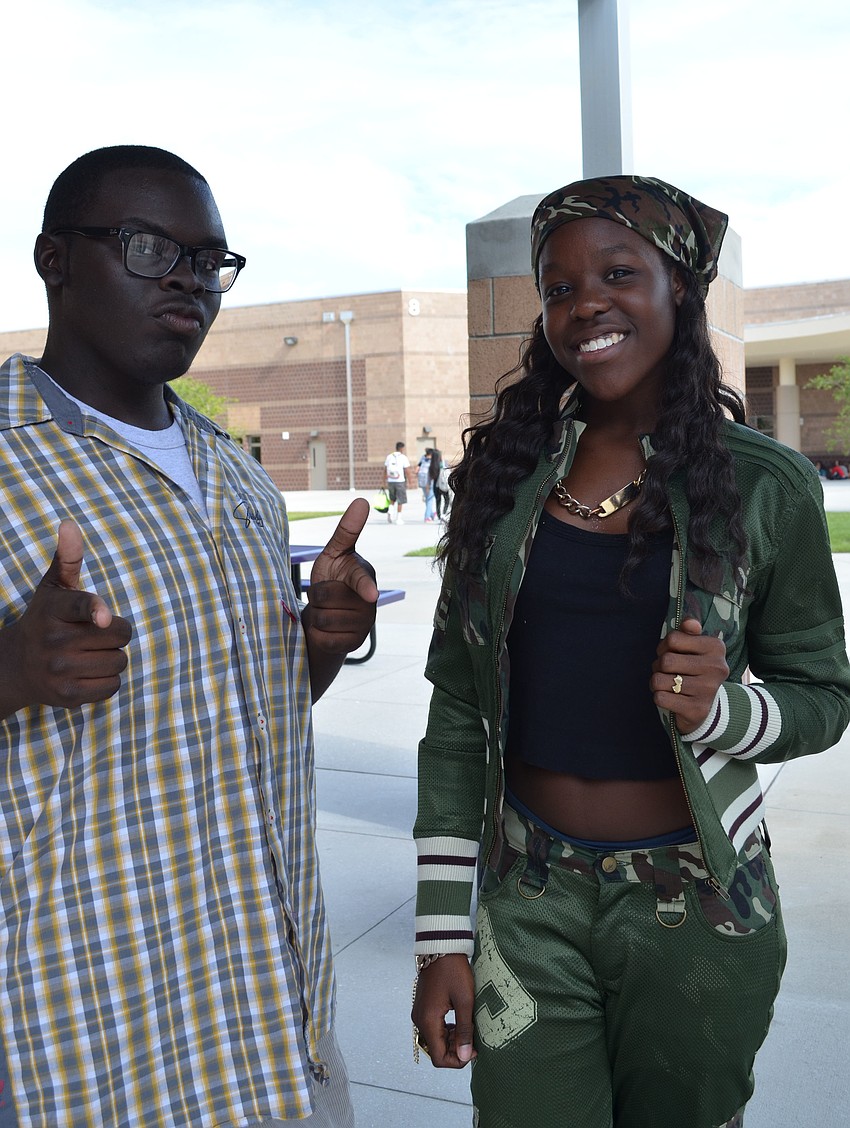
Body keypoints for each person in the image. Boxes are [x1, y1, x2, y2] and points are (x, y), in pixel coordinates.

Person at [411, 175, 850, 1128]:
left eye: (618, 273)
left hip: (700, 905)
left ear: (678, 287)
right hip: (528, 897)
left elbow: (823, 696)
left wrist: (725, 712)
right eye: (559, 288)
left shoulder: (764, 486)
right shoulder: (503, 478)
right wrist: (442, 931)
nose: (585, 305)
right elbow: (456, 711)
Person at [0, 145, 378, 1128]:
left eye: (209, 260)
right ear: (53, 259)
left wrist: (320, 646)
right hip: (84, 1041)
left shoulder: (240, 479)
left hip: (275, 1020)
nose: (187, 279)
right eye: (147, 247)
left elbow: (255, 713)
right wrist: (9, 669)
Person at [384, 439, 411, 523]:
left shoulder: (389, 456)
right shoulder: (403, 457)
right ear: (402, 448)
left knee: (392, 499)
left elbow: (385, 470)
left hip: (390, 481)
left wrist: (384, 481)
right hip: (400, 481)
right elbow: (407, 470)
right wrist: (410, 480)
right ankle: (399, 518)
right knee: (400, 500)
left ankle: (390, 511)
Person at [430, 448, 451, 520]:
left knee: (438, 501)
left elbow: (430, 477)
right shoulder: (444, 463)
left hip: (435, 486)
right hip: (443, 484)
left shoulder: (432, 465)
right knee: (447, 500)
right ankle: (444, 513)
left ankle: (439, 516)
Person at [418, 448, 437, 522]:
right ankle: (427, 517)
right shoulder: (432, 461)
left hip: (422, 482)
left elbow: (417, 468)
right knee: (429, 499)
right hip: (429, 483)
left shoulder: (423, 458)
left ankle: (432, 513)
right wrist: (428, 485)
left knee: (427, 499)